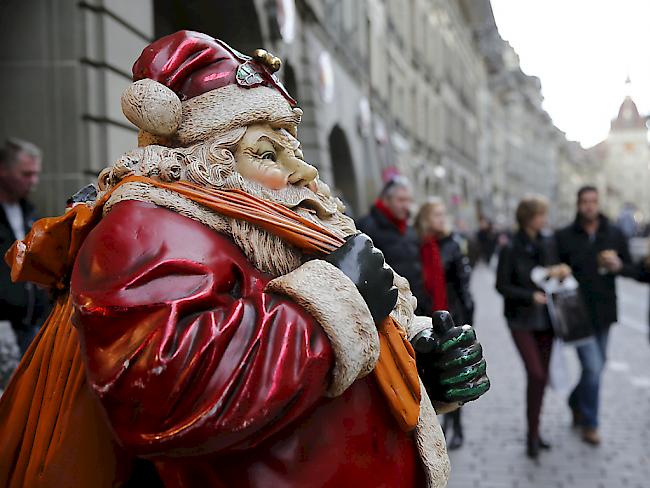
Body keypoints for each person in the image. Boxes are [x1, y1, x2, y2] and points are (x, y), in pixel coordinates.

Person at [0, 31, 490, 487]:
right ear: (209, 160)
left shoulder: (272, 223)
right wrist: (338, 304)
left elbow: (322, 384)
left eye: (290, 148)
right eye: (266, 152)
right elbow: (165, 398)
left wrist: (417, 368)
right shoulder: (145, 229)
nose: (303, 170)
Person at [555, 186, 635, 445]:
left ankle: (575, 400)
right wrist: (561, 270)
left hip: (604, 312)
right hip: (576, 313)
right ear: (578, 204)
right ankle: (591, 423)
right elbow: (553, 267)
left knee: (597, 368)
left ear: (599, 204)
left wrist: (619, 266)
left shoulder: (614, 233)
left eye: (593, 201)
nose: (589, 206)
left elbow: (630, 266)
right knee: (593, 367)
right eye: (585, 202)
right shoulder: (565, 236)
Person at [496, 196, 570, 459]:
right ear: (528, 217)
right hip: (521, 319)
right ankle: (532, 434)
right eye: (541, 214)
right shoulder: (510, 247)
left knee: (539, 379)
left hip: (547, 319)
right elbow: (502, 286)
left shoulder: (547, 243)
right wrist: (529, 296)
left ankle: (534, 434)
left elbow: (548, 274)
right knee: (537, 374)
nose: (545, 219)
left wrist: (559, 272)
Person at [415, 198, 475, 450]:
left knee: (453, 376)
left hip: (451, 316)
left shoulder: (452, 245)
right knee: (429, 375)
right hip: (424, 318)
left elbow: (463, 286)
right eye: (436, 214)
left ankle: (458, 425)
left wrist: (468, 321)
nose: (441, 219)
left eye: (443, 214)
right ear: (425, 218)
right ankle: (434, 426)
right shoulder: (416, 246)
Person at [0, 138, 48, 354]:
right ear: (4, 171)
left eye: (36, 174)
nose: (34, 181)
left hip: (32, 326)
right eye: (26, 174)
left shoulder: (30, 213)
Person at [357, 177, 431, 315]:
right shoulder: (367, 226)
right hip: (387, 311)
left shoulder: (411, 230)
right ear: (386, 200)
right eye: (401, 200)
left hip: (414, 306)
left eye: (408, 200)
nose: (406, 205)